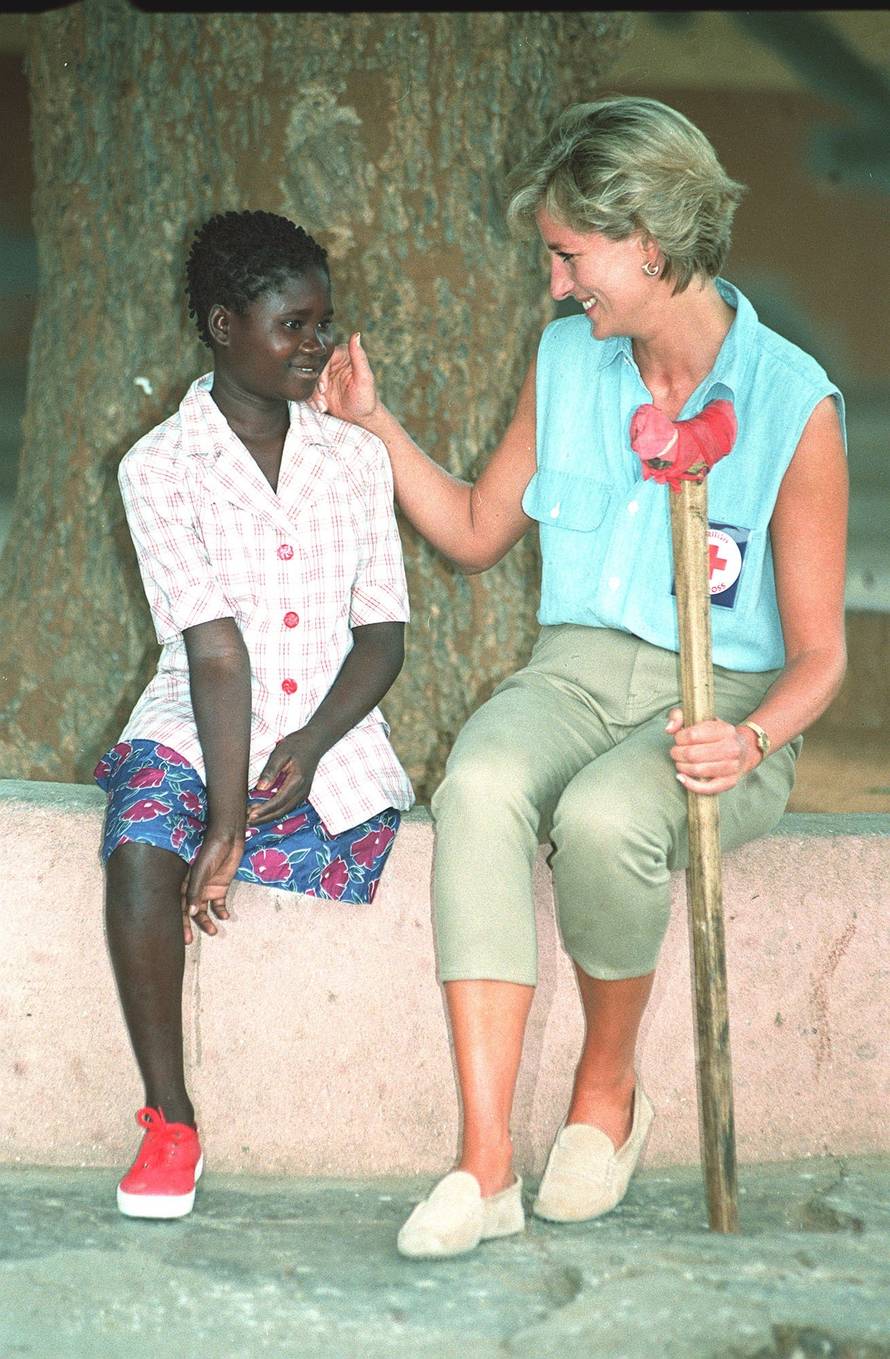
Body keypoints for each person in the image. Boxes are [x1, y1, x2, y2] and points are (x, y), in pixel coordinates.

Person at [312, 96, 848, 1258]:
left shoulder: (789, 404)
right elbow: (469, 529)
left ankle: (605, 1096)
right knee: (481, 781)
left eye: (569, 256)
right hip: (573, 673)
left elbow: (820, 656)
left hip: (728, 704)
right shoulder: (565, 359)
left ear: (648, 242)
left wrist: (747, 743)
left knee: (609, 817)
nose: (556, 286)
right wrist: (374, 426)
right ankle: (485, 1165)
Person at [94, 209, 414, 1219]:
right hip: (200, 708)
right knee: (146, 840)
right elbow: (214, 652)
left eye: (323, 321)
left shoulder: (353, 460)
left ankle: (267, 801)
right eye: (292, 324)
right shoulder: (156, 468)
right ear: (224, 325)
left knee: (328, 831)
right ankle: (169, 1119)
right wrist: (223, 819)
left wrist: (313, 746)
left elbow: (381, 637)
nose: (316, 344)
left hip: (326, 718)